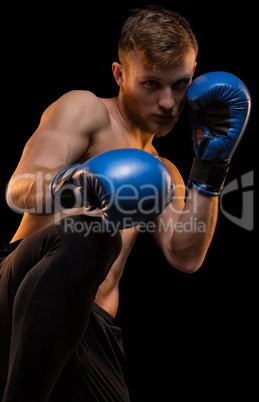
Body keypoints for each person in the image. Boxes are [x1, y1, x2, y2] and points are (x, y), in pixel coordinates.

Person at [0, 5, 250, 401]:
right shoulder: (87, 110)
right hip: (26, 286)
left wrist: (210, 168)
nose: (168, 102)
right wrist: (76, 188)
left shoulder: (164, 171)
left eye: (180, 84)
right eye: (151, 84)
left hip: (94, 327)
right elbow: (20, 188)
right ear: (120, 74)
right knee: (94, 236)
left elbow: (186, 256)